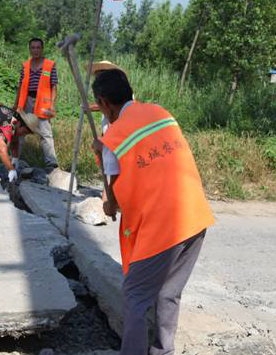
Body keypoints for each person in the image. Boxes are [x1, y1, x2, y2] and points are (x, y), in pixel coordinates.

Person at [91, 70, 215, 355]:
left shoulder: (115, 136)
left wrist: (103, 152)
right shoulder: (160, 112)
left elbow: (113, 203)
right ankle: (163, 351)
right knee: (168, 293)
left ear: (104, 103)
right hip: (195, 215)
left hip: (165, 227)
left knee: (135, 296)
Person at [13, 37, 58, 172]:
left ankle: (51, 163)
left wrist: (52, 104)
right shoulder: (25, 65)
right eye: (33, 47)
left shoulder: (50, 65)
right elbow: (20, 86)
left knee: (46, 133)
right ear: (30, 49)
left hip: (43, 104)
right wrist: (16, 105)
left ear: (42, 49)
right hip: (26, 103)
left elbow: (54, 86)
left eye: (38, 47)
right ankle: (16, 160)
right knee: (19, 132)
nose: (35, 50)